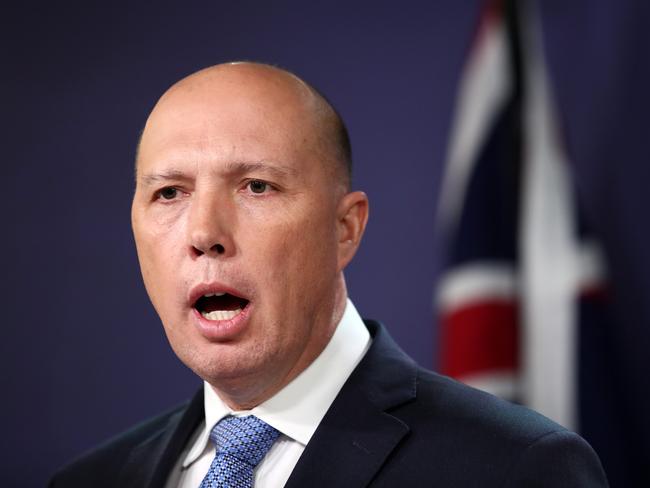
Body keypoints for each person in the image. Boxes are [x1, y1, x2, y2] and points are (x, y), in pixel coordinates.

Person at [50, 62, 608, 487]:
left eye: (256, 187)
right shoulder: (88, 480)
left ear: (345, 229)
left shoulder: (514, 469)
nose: (204, 233)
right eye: (169, 193)